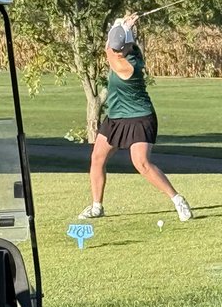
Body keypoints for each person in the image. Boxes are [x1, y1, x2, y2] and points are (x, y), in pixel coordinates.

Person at [77, 12, 192, 222]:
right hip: (115, 117)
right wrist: (123, 25)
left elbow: (109, 53)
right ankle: (96, 207)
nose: (116, 51)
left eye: (120, 48)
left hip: (139, 117)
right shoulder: (127, 47)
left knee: (141, 163)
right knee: (97, 158)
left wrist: (120, 26)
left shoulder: (129, 66)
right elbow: (113, 44)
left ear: (128, 46)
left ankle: (178, 200)